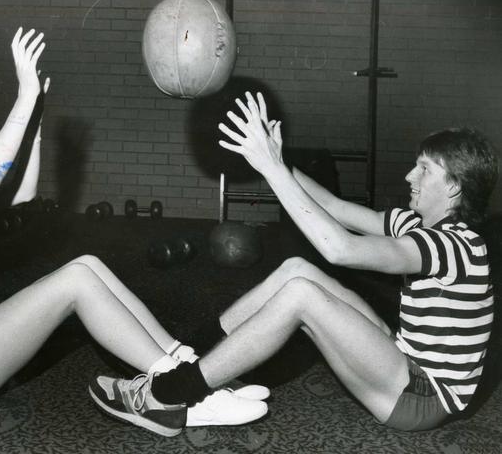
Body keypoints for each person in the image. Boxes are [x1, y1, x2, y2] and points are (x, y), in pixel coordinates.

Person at [0, 29, 270, 432]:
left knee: (86, 264)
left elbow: (22, 200)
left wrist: (32, 126)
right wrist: (24, 95)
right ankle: (182, 394)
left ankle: (188, 371)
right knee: (74, 280)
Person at [89, 91, 499, 435]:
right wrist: (279, 163)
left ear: (454, 187)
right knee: (297, 271)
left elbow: (340, 249)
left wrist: (269, 167)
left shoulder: (454, 246)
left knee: (302, 295)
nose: (410, 176)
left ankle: (167, 395)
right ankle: (187, 358)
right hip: (403, 362)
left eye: (424, 170)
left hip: (421, 398)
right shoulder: (416, 224)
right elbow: (335, 207)